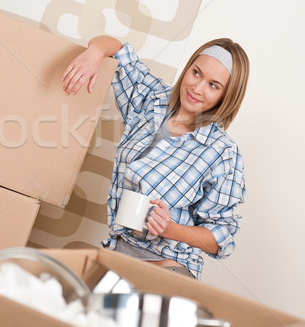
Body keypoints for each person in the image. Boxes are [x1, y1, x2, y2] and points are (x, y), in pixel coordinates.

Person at [61, 35, 249, 279]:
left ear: (227, 96)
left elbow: (221, 238)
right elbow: (116, 49)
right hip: (118, 252)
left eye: (214, 85)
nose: (197, 88)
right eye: (196, 73)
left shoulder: (222, 153)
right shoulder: (151, 100)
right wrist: (94, 53)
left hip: (168, 265)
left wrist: (171, 229)